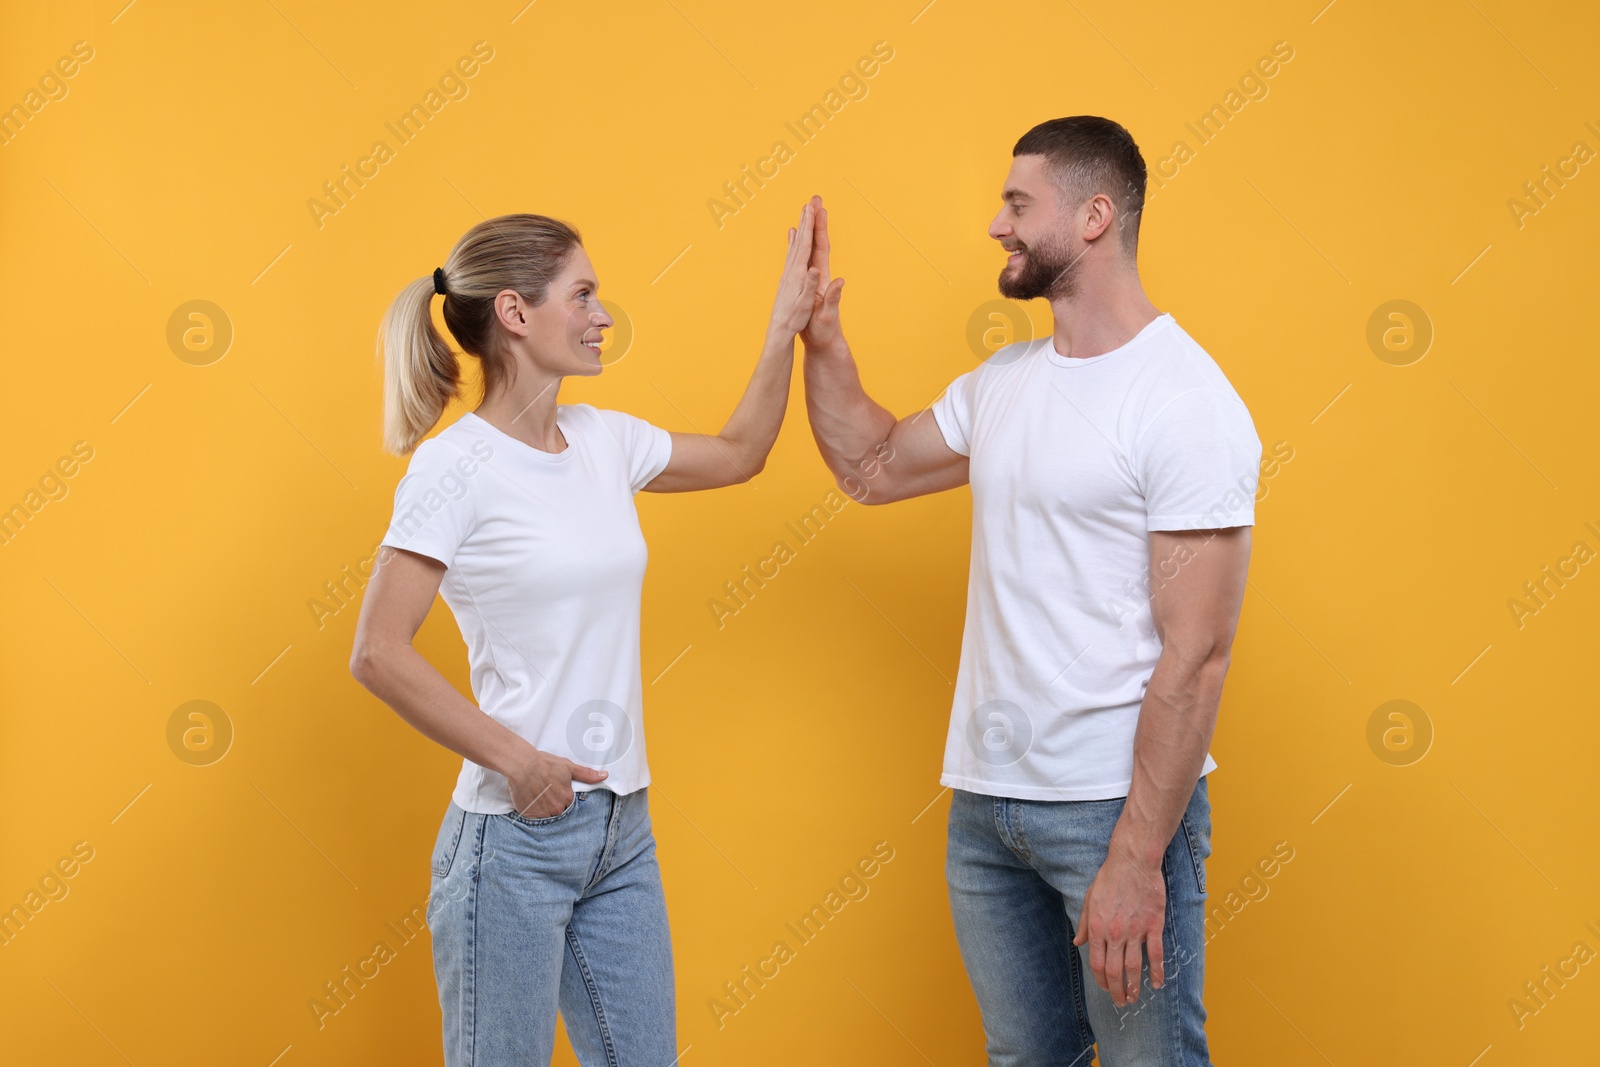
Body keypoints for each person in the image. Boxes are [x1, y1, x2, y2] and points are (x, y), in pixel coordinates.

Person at [798, 117, 1260, 1065]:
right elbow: (873, 464)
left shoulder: (1184, 401)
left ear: (1094, 216)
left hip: (1108, 809)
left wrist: (1136, 854)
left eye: (1018, 204)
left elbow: (1199, 652)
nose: (997, 226)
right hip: (987, 807)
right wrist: (823, 338)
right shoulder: (1006, 381)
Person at [349, 205, 822, 1066]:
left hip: (620, 827)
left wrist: (785, 327)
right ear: (516, 314)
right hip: (511, 842)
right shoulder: (454, 470)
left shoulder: (605, 440)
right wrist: (519, 762)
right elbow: (378, 648)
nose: (603, 314)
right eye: (583, 293)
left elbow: (741, 451)